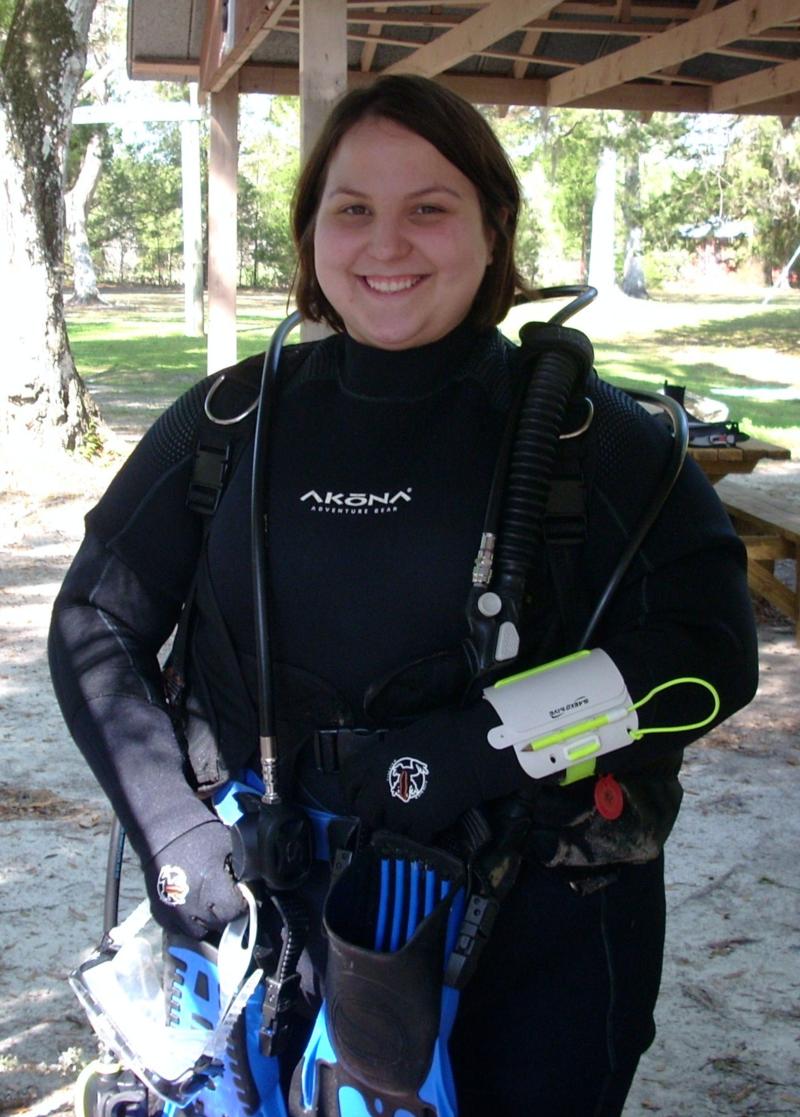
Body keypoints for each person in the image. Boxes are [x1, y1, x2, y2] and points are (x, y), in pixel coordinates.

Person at [49, 74, 758, 1117]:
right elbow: (94, 621)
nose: (387, 246)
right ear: (309, 235)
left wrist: (467, 751)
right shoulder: (228, 422)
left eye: (428, 207)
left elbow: (704, 655)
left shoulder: (590, 438)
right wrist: (173, 835)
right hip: (258, 902)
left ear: (492, 226)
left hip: (539, 928)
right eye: (352, 209)